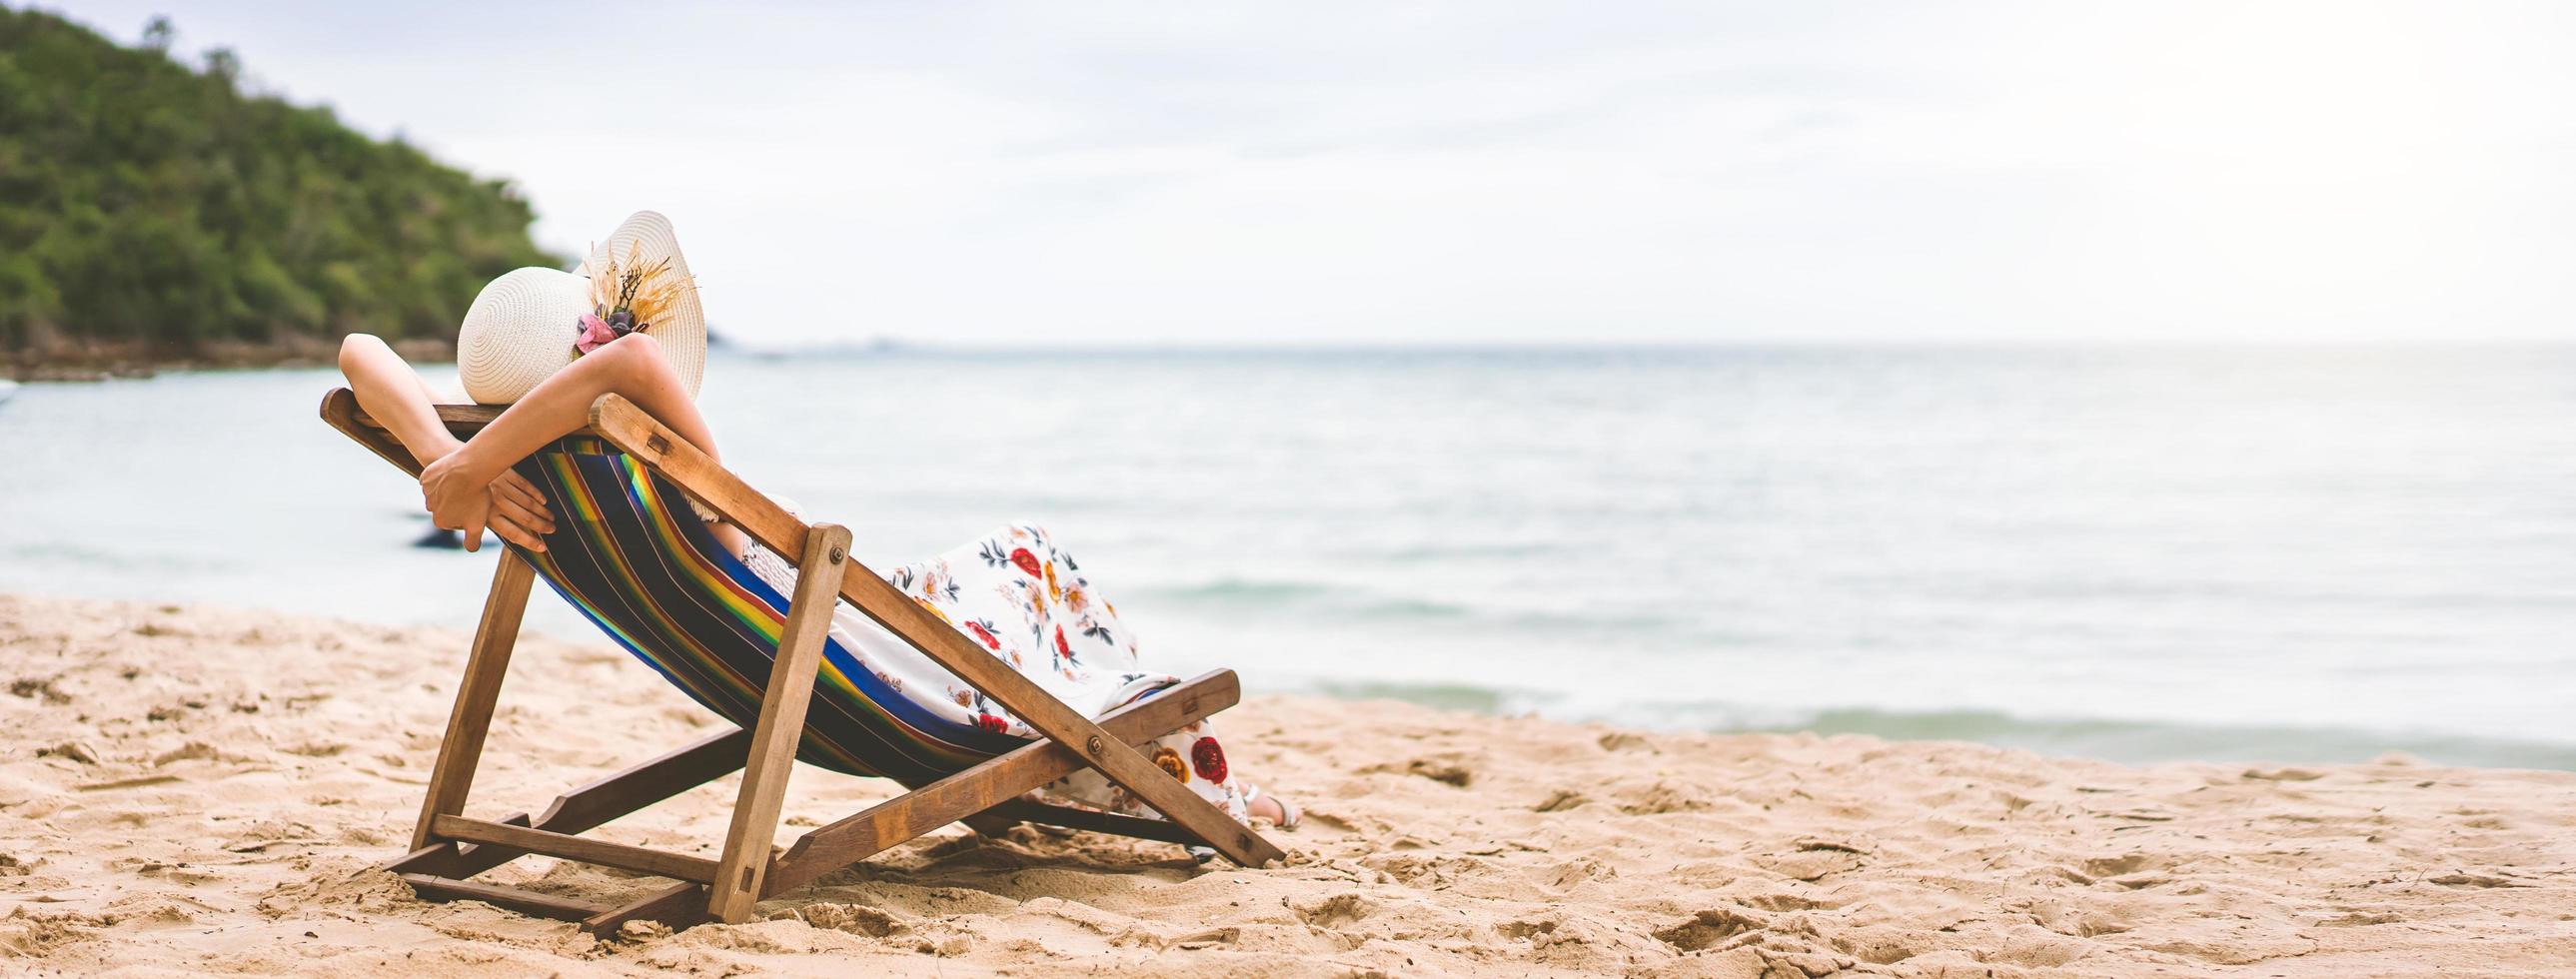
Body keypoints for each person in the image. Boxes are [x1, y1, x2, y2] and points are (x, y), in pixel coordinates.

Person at [338, 212, 1296, 834]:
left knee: (1013, 570)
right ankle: (1194, 784)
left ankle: (1125, 773)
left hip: (824, 649)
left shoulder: (532, 478)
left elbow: (357, 353)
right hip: (874, 654)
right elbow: (630, 372)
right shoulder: (644, 445)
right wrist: (460, 466)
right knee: (1030, 557)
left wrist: (445, 461)